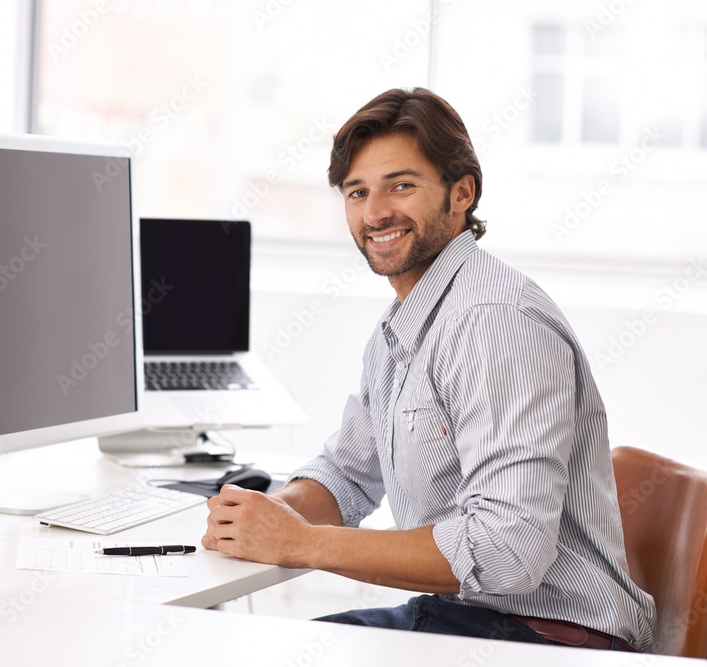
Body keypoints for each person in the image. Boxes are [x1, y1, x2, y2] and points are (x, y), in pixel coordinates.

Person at [201, 88, 655, 652]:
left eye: (402, 185)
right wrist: (266, 516)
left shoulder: (493, 322)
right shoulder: (405, 326)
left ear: (461, 192)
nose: (374, 213)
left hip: (549, 638)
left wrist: (301, 544)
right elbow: (347, 473)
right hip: (469, 621)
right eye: (357, 192)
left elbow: (505, 553)